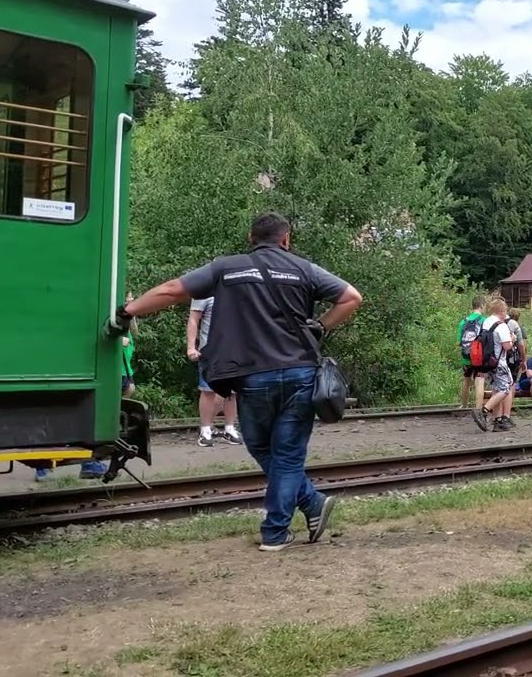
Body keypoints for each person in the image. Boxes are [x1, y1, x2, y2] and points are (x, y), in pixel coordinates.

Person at [106, 212, 363, 551]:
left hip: (253, 376)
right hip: (300, 374)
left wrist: (127, 312)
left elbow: (171, 291)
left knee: (262, 448)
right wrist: (321, 326)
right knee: (285, 455)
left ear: (251, 238)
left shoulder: (226, 268)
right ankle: (312, 503)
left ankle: (276, 531)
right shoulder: (304, 269)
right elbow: (351, 297)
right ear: (286, 239)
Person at [188, 295, 242, 447]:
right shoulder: (203, 291)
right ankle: (205, 430)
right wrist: (191, 347)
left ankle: (230, 428)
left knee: (232, 391)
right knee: (207, 390)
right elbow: (193, 320)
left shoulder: (236, 289)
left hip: (233, 349)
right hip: (209, 350)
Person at [472, 298, 516, 432]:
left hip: (487, 362)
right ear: (501, 311)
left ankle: (498, 421)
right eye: (505, 311)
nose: (506, 314)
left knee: (496, 390)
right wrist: (512, 339)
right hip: (499, 362)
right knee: (505, 388)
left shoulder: (485, 322)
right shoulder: (501, 326)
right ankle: (483, 411)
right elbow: (507, 346)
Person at [458, 296, 487, 409]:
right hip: (479, 357)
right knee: (479, 381)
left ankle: (464, 405)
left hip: (466, 356)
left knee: (466, 380)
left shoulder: (463, 321)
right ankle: (478, 408)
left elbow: (459, 342)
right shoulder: (484, 321)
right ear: (482, 305)